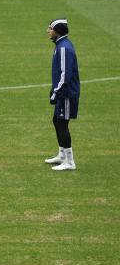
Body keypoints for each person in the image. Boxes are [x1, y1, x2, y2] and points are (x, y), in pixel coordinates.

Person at [45, 18, 80, 170]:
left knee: (62, 124)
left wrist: (56, 92)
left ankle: (70, 162)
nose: (48, 31)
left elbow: (66, 75)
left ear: (57, 31)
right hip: (62, 92)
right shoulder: (60, 45)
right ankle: (62, 155)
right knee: (56, 120)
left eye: (50, 28)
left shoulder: (64, 48)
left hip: (66, 94)